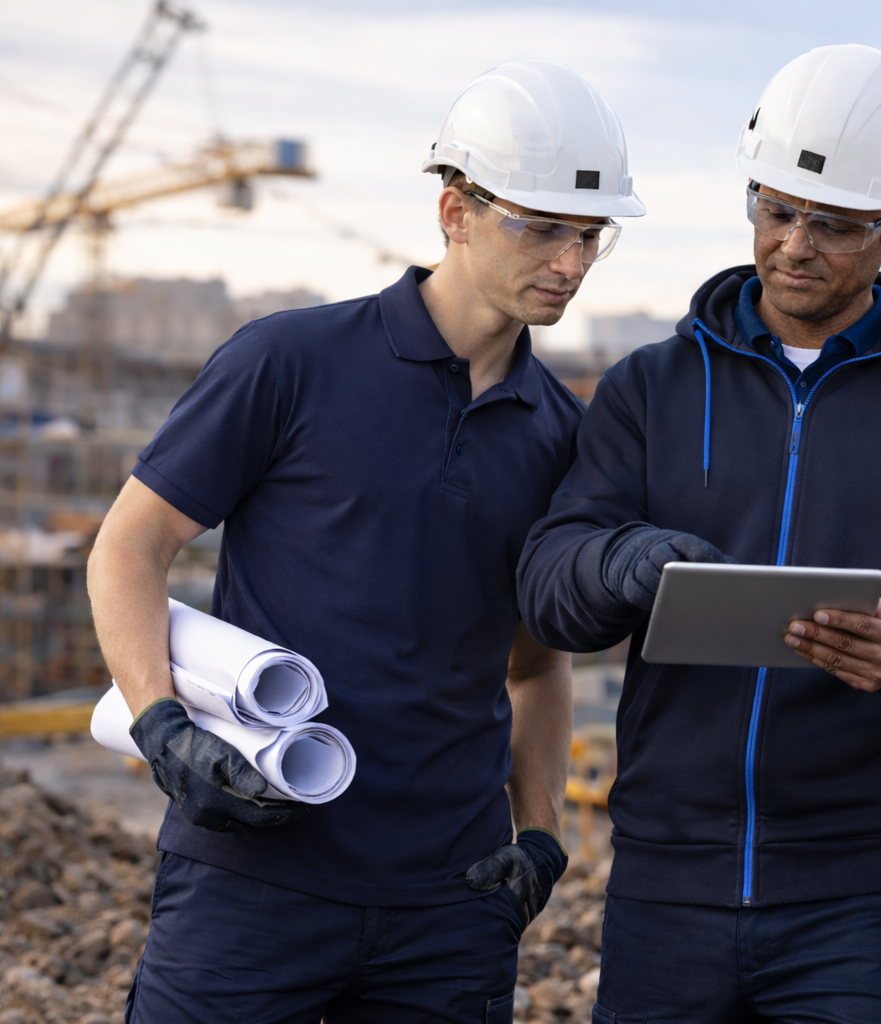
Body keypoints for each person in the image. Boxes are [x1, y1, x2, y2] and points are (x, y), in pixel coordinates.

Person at [85, 60, 644, 1022]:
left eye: (590, 234)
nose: (571, 262)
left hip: (452, 903)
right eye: (542, 227)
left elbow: (534, 669)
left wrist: (541, 835)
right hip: (252, 875)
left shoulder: (561, 433)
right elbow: (128, 548)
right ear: (455, 209)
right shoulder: (289, 362)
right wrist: (161, 726)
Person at [517, 44, 881, 1021]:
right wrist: (621, 562)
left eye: (834, 225)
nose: (794, 244)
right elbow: (548, 584)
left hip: (867, 899)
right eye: (775, 209)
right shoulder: (650, 388)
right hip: (668, 885)